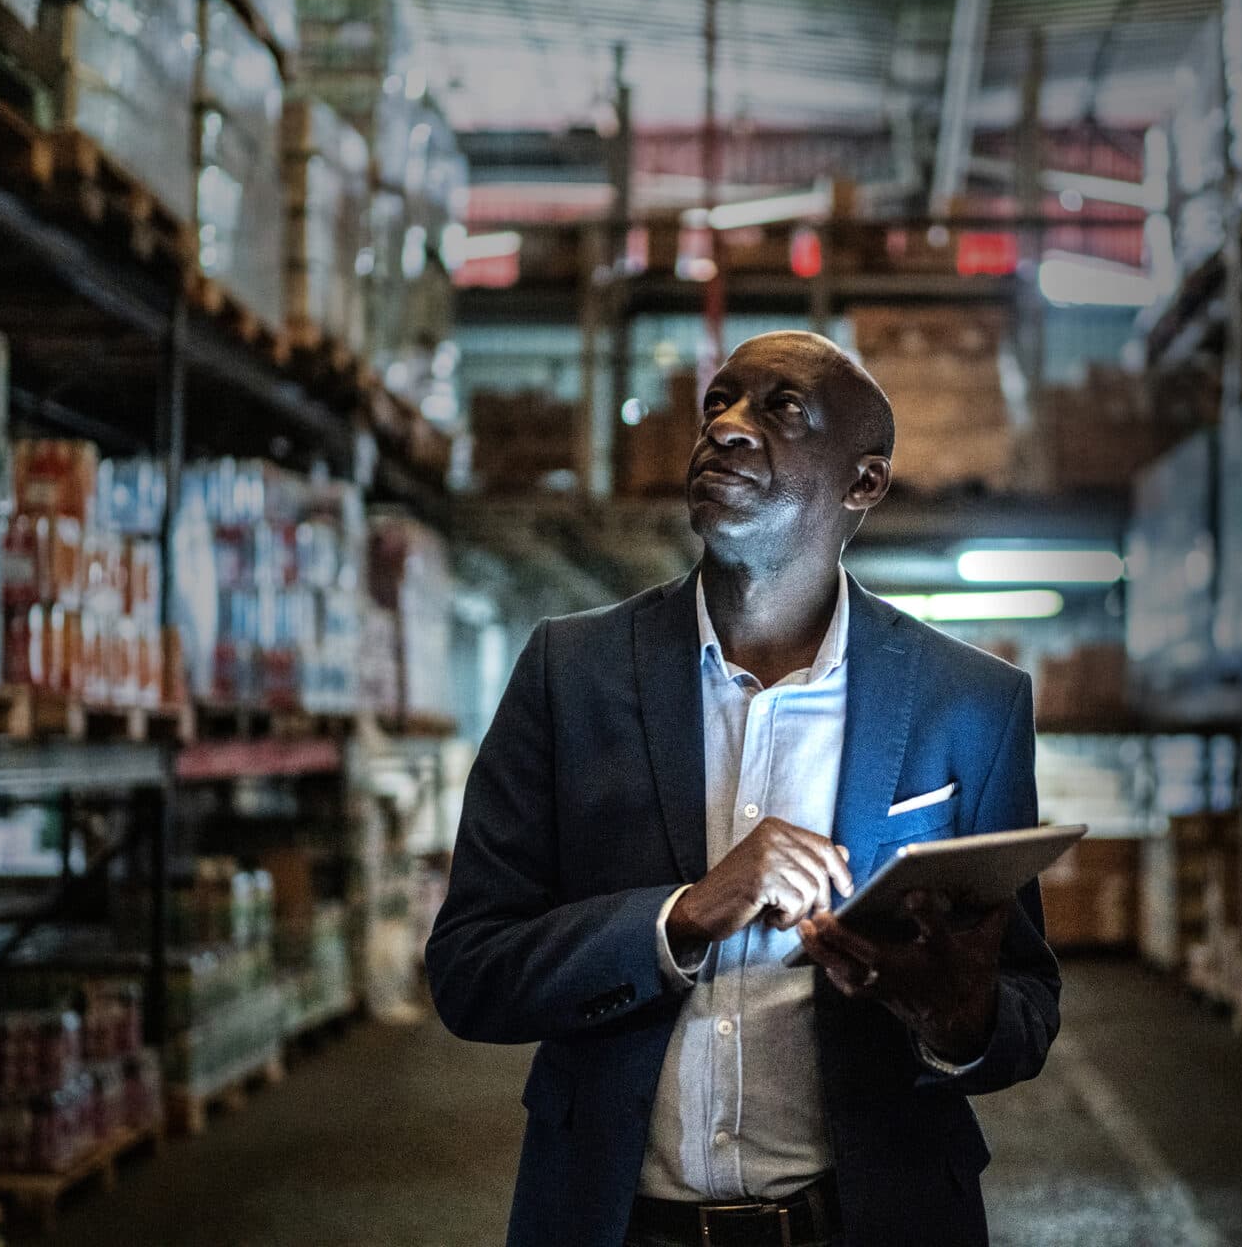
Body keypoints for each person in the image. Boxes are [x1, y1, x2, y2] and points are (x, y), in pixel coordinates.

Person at [427, 331, 1062, 1247]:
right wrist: (681, 916)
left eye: (780, 410)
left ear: (864, 483)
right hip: (612, 1225)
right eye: (718, 403)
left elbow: (1024, 1007)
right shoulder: (572, 672)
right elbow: (470, 971)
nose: (726, 426)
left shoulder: (971, 704)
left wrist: (956, 1019)